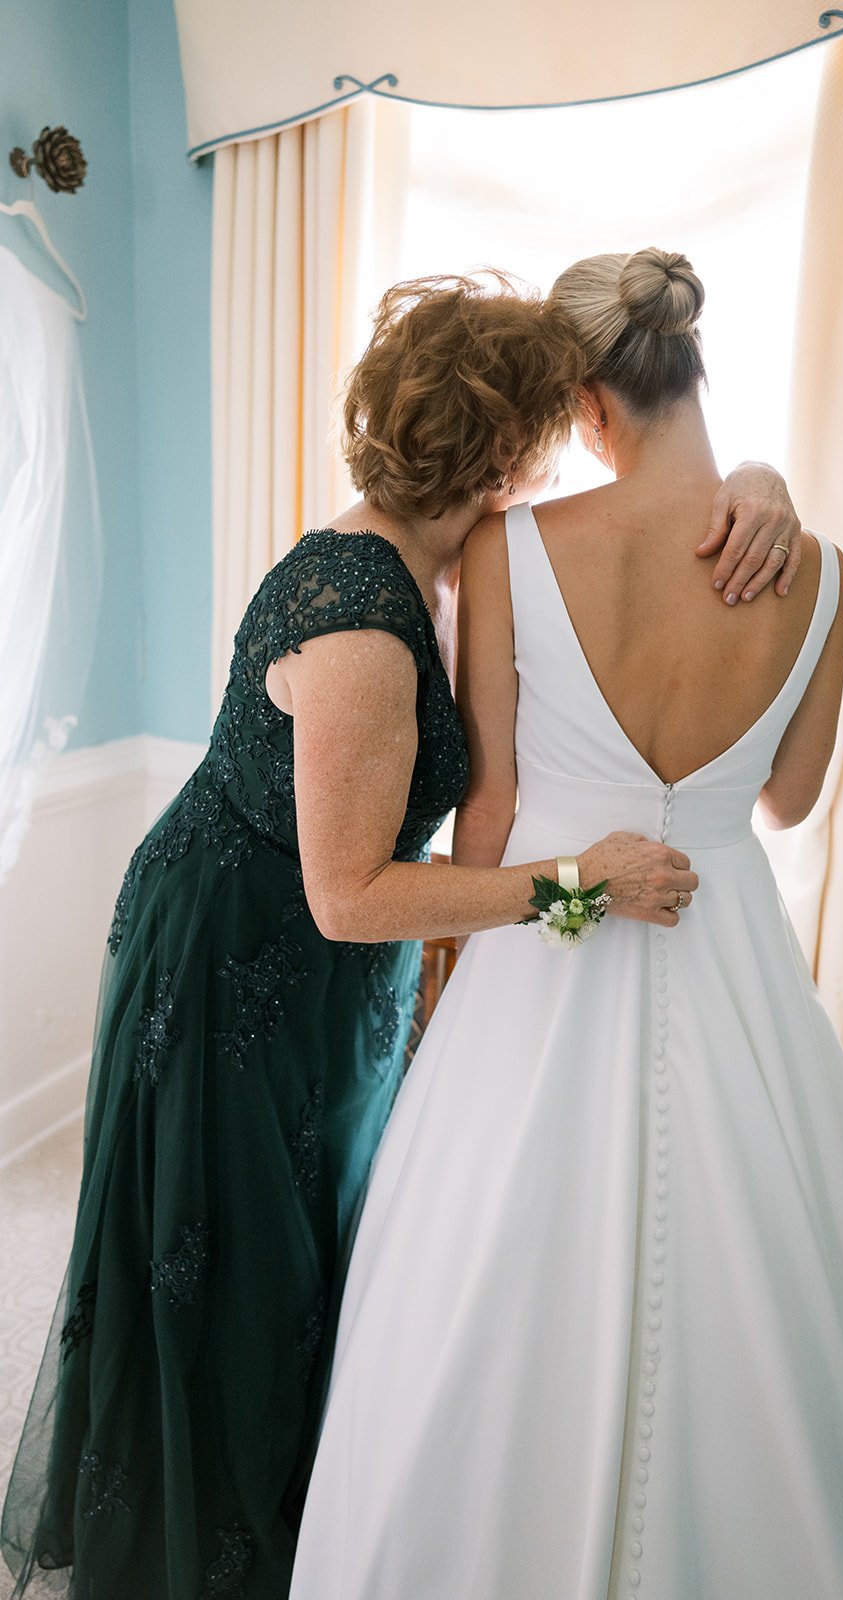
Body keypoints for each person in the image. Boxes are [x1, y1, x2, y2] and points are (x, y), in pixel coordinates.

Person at [1, 272, 801, 1600]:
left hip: (308, 956)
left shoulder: (425, 565)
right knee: (234, 1266)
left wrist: (761, 471)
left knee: (317, 1244)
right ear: (498, 454)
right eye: (545, 432)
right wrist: (576, 887)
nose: (562, 454)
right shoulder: (365, 616)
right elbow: (351, 898)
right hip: (236, 962)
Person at [290, 250, 843, 1600]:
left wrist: (444, 984)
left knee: (476, 1292)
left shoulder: (508, 546)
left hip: (551, 951)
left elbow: (493, 805)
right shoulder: (815, 569)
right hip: (730, 952)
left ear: (583, 403)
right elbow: (792, 800)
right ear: (693, 367)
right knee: (786, 1296)